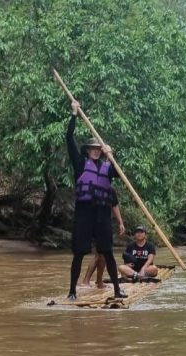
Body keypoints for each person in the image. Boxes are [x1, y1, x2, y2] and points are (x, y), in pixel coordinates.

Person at [66, 100, 126, 300]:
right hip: (84, 213)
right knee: (79, 253)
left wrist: (111, 155)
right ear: (87, 150)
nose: (95, 150)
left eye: (98, 149)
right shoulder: (80, 163)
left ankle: (117, 289)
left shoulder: (106, 167)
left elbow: (119, 172)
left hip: (102, 214)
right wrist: (74, 114)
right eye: (93, 148)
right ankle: (72, 291)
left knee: (107, 252)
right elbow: (69, 138)